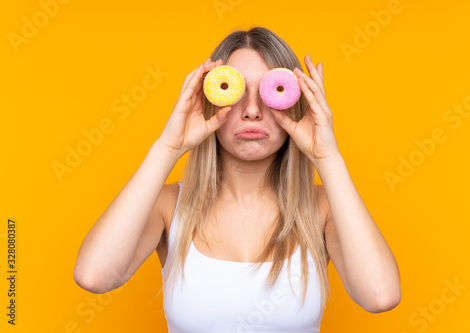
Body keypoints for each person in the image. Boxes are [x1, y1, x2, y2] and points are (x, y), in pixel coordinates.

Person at [73, 26, 401, 332]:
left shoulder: (323, 209)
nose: (252, 111)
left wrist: (327, 158)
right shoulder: (169, 207)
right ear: (210, 98)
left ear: (295, 102)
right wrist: (168, 146)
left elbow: (380, 295)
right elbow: (94, 276)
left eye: (271, 91)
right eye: (236, 90)